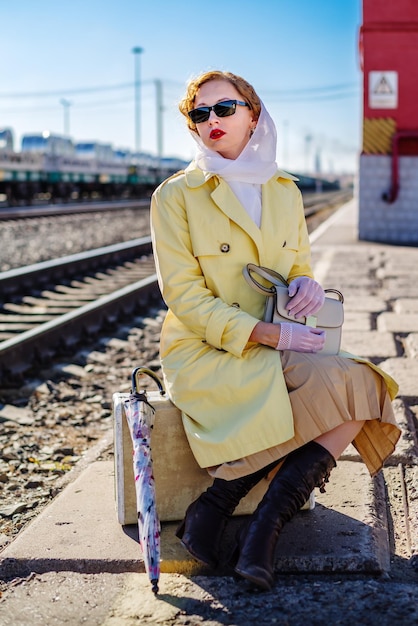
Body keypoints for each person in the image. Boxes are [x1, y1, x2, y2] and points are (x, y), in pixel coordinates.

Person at [150, 70, 401, 591]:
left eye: (225, 108)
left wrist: (306, 285)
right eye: (200, 113)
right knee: (338, 390)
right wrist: (266, 336)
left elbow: (298, 266)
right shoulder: (175, 197)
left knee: (368, 384)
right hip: (210, 347)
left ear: (253, 113)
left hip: (277, 340)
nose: (212, 121)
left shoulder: (285, 191)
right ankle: (234, 517)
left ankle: (251, 520)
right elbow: (185, 298)